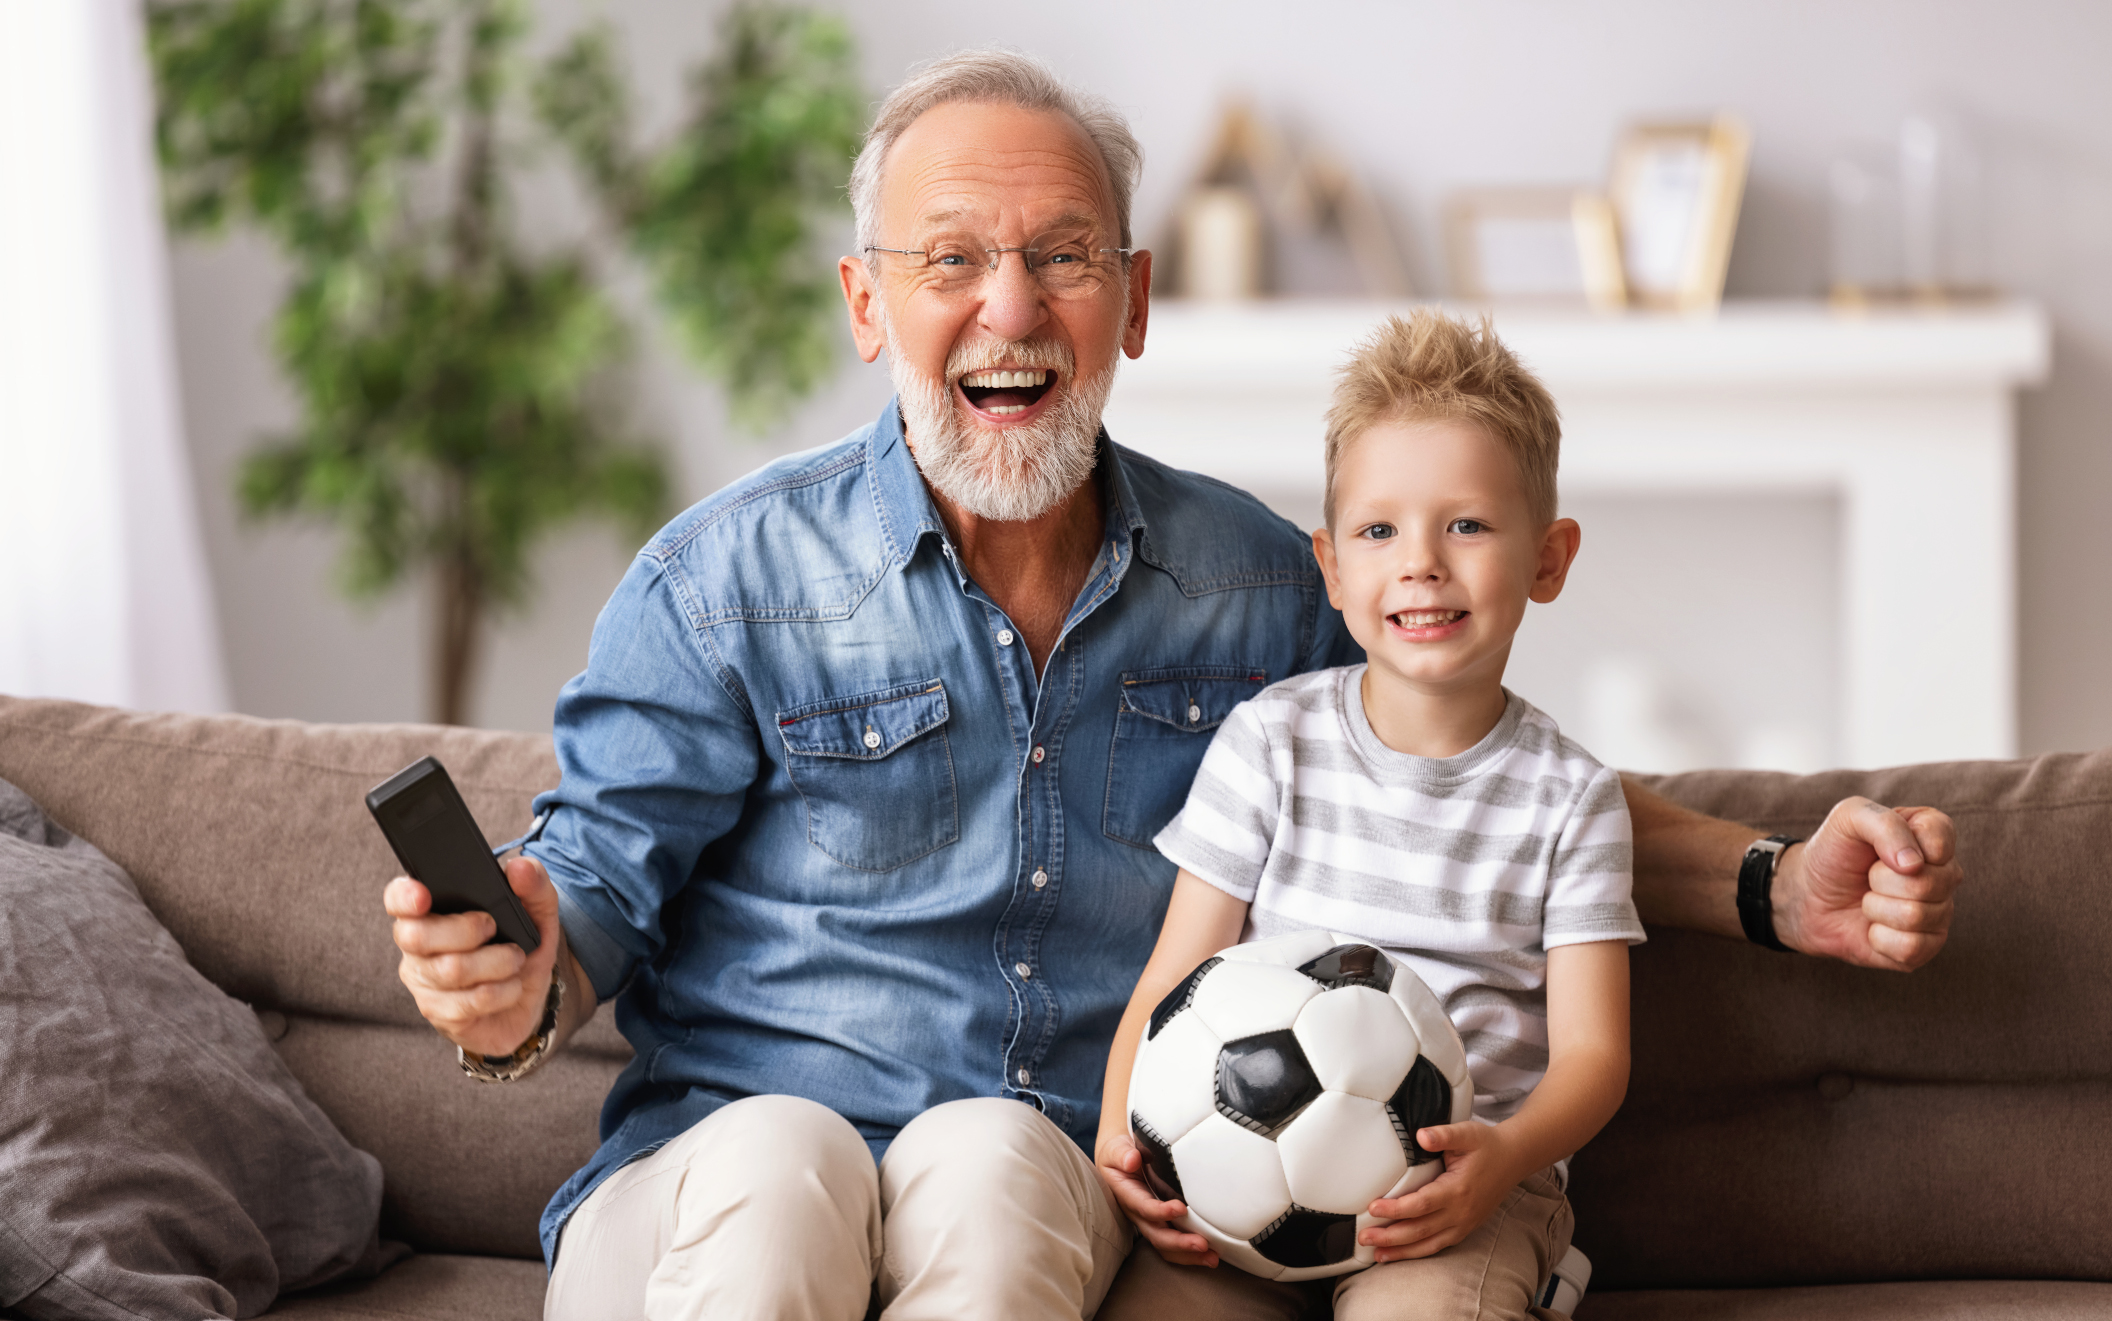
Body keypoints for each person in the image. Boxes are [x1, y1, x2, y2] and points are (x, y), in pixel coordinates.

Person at [381, 49, 1964, 1321]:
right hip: (714, 1197)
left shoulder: (1261, 583)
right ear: (868, 306)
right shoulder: (721, 582)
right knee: (794, 1153)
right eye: (951, 260)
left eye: (1060, 256)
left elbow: (1481, 777)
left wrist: (1773, 887)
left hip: (1045, 1189)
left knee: (997, 1158)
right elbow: (582, 888)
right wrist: (514, 965)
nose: (1010, 306)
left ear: (1130, 301)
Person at [1096, 309, 1635, 1320]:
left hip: (1461, 1198)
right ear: (1332, 565)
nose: (1421, 561)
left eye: (1466, 524)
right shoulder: (1271, 745)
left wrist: (1506, 1157)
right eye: (1379, 529)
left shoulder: (1573, 800)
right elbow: (1173, 978)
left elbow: (1596, 1055)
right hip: (1242, 1178)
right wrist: (1119, 1141)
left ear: (1549, 559)